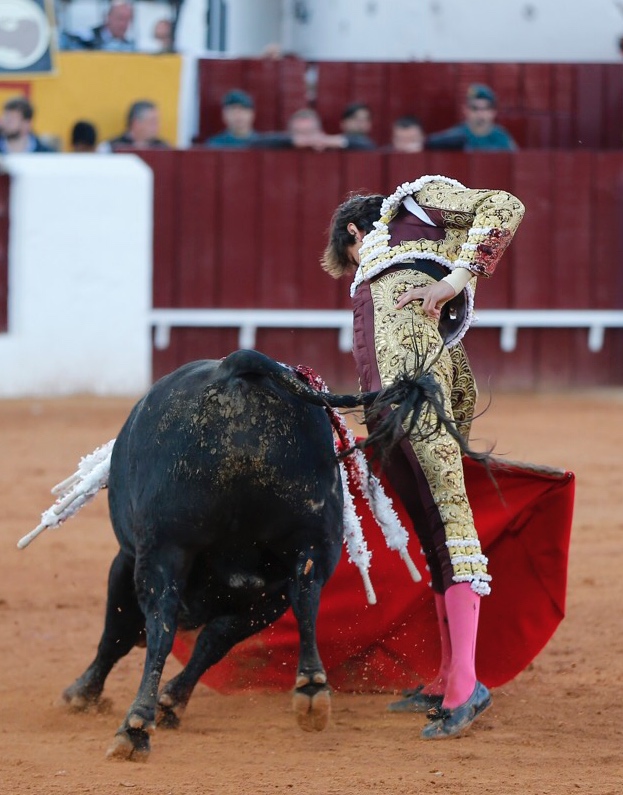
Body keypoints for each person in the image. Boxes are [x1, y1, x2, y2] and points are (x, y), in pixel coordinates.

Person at [321, 175, 525, 739]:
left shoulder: (416, 200)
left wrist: (461, 274)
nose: (357, 263)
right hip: (388, 412)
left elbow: (503, 202)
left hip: (416, 402)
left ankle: (466, 687)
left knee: (451, 528)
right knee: (435, 535)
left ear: (355, 233)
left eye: (351, 252)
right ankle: (448, 675)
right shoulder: (387, 271)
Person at [427, 84, 517, 152]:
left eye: (485, 109)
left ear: (493, 112)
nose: (480, 114)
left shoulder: (502, 137)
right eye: (475, 108)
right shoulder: (455, 136)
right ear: (465, 110)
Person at [256, 108, 375, 151]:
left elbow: (368, 146)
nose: (306, 139)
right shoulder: (283, 148)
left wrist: (331, 141)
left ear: (320, 132)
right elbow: (256, 143)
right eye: (300, 134)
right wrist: (293, 142)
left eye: (309, 133)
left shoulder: (330, 147)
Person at [59, 0, 135, 52]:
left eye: (128, 20)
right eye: (120, 18)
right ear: (108, 17)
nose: (123, 24)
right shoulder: (86, 38)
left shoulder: (130, 47)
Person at [98, 101, 171, 152]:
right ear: (136, 123)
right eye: (152, 121)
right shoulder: (109, 147)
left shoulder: (164, 148)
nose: (157, 126)